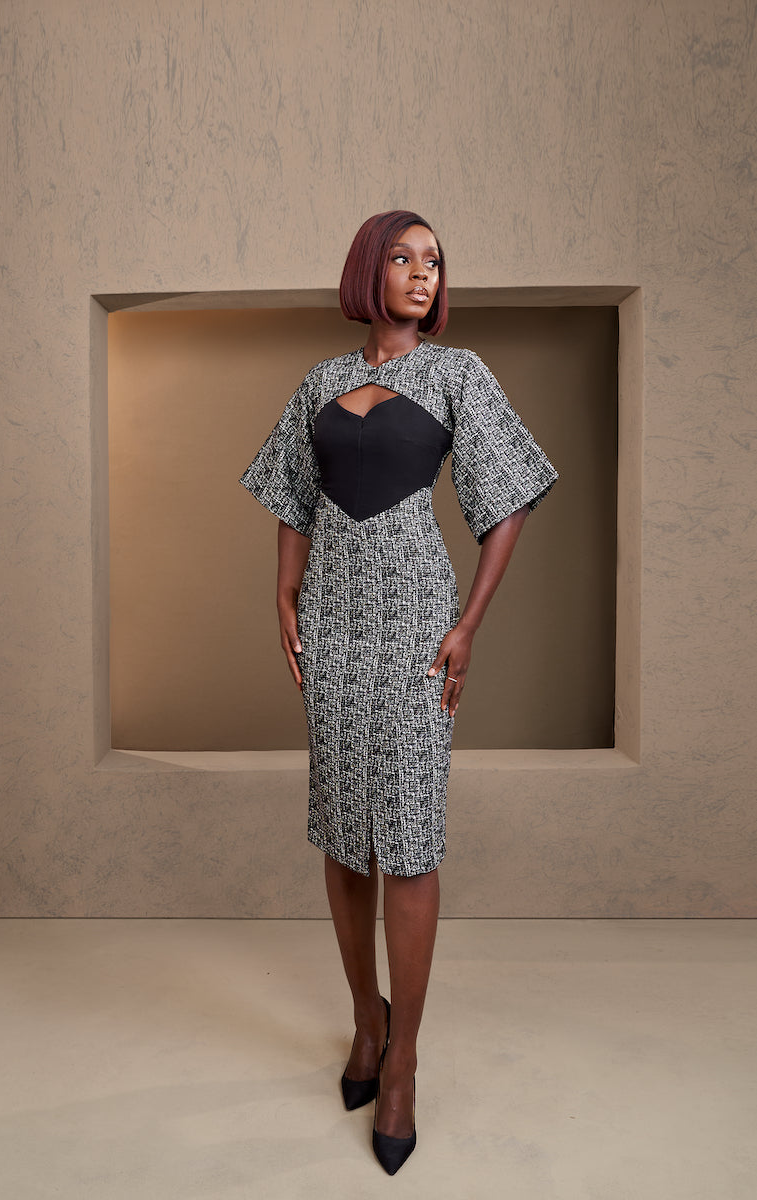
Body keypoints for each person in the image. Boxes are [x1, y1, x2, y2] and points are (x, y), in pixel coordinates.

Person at [240, 210, 557, 1175]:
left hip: (418, 619)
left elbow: (507, 500)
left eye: (434, 263)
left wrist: (468, 624)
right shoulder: (319, 382)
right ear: (365, 271)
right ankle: (364, 1023)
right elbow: (291, 495)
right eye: (403, 258)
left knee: (409, 838)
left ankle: (405, 1061)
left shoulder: (459, 374)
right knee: (345, 827)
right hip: (331, 623)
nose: (423, 275)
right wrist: (283, 592)